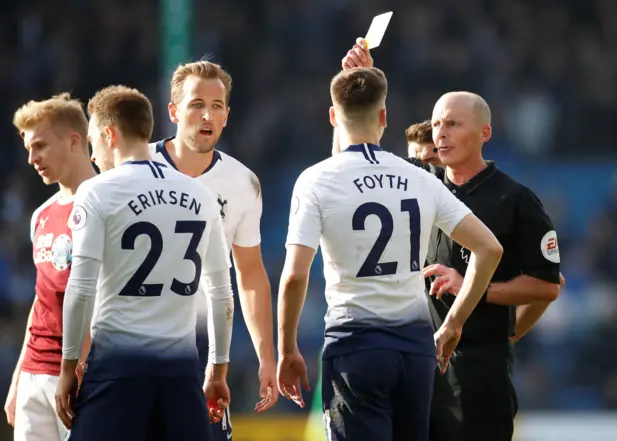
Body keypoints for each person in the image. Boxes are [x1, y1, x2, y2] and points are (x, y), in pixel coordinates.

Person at [342, 40, 564, 441]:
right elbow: (349, 165)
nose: (440, 134)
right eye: (437, 124)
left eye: (453, 124)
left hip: (477, 367)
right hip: (411, 358)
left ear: (485, 133)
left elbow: (548, 285)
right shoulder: (417, 184)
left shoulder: (514, 200)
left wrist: (477, 295)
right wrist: (361, 81)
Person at [276, 67, 503, 441]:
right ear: (384, 117)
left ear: (333, 116)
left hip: (355, 347)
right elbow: (489, 248)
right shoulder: (421, 179)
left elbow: (296, 275)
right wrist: (454, 322)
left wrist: (286, 349)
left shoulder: (316, 180)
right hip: (415, 350)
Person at [54, 85, 233, 441]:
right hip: (181, 379)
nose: (92, 156)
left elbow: (81, 287)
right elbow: (222, 296)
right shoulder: (201, 195)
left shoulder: (98, 190)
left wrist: (67, 368)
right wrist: (217, 370)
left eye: (93, 142)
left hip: (117, 373)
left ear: (108, 134)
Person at [150, 61, 276, 436]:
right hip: (132, 337)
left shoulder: (243, 183)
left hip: (204, 347)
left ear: (227, 116)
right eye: (195, 104)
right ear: (173, 110)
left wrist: (266, 356)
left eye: (217, 105)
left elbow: (250, 273)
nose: (207, 114)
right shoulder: (134, 168)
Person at [6, 94, 96, 441]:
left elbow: (103, 297)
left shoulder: (109, 205)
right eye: (29, 148)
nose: (32, 158)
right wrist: (18, 378)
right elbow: (41, 299)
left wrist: (79, 369)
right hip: (34, 376)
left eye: (40, 146)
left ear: (74, 140)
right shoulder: (40, 215)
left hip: (83, 377)